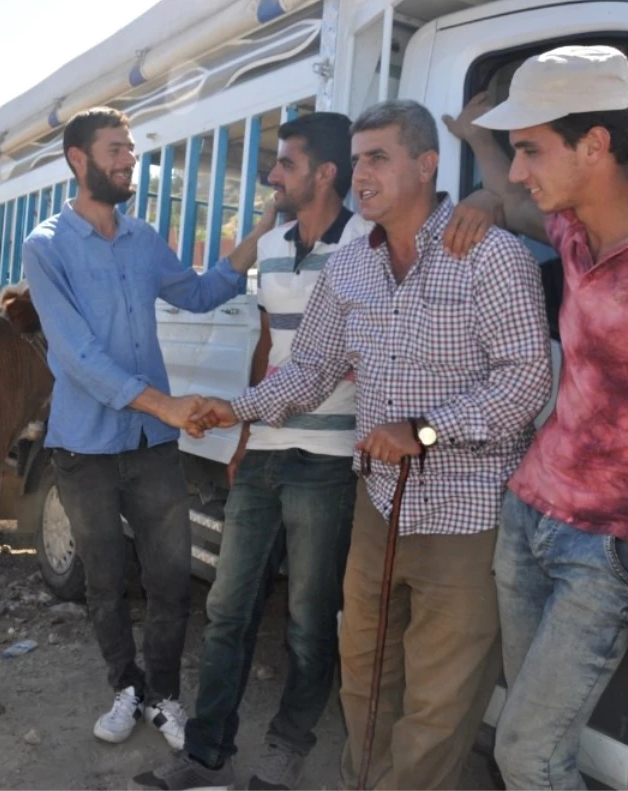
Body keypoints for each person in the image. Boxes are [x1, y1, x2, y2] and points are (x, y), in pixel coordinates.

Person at [191, 100, 552, 791]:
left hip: (466, 514)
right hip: (377, 505)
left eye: (378, 158)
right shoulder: (351, 266)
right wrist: (232, 408)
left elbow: (525, 380)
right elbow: (310, 367)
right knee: (363, 678)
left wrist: (422, 431)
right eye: (357, 160)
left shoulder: (492, 255)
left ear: (427, 164)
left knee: (440, 704)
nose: (361, 174)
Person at [448, 46, 628, 789]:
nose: (520, 171)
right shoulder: (570, 221)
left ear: (595, 144)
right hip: (531, 515)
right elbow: (507, 198)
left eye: (531, 149)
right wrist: (483, 158)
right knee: (531, 736)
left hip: (615, 547)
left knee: (526, 754)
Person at [23, 106, 279, 753]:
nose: (128, 160)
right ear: (78, 159)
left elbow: (198, 291)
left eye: (131, 150)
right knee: (107, 580)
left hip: (151, 449)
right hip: (84, 448)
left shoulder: (143, 239)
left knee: (168, 578)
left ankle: (163, 694)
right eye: (115, 149)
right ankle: (125, 685)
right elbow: (77, 355)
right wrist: (165, 404)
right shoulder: (46, 245)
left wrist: (259, 233)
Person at [132, 111, 367, 791]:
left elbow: (340, 359)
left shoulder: (366, 248)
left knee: (306, 618)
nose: (273, 177)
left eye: (286, 164)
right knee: (228, 608)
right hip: (264, 448)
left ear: (324, 172)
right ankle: (206, 756)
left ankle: (285, 752)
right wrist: (245, 435)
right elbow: (267, 348)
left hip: (329, 460)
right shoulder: (272, 247)